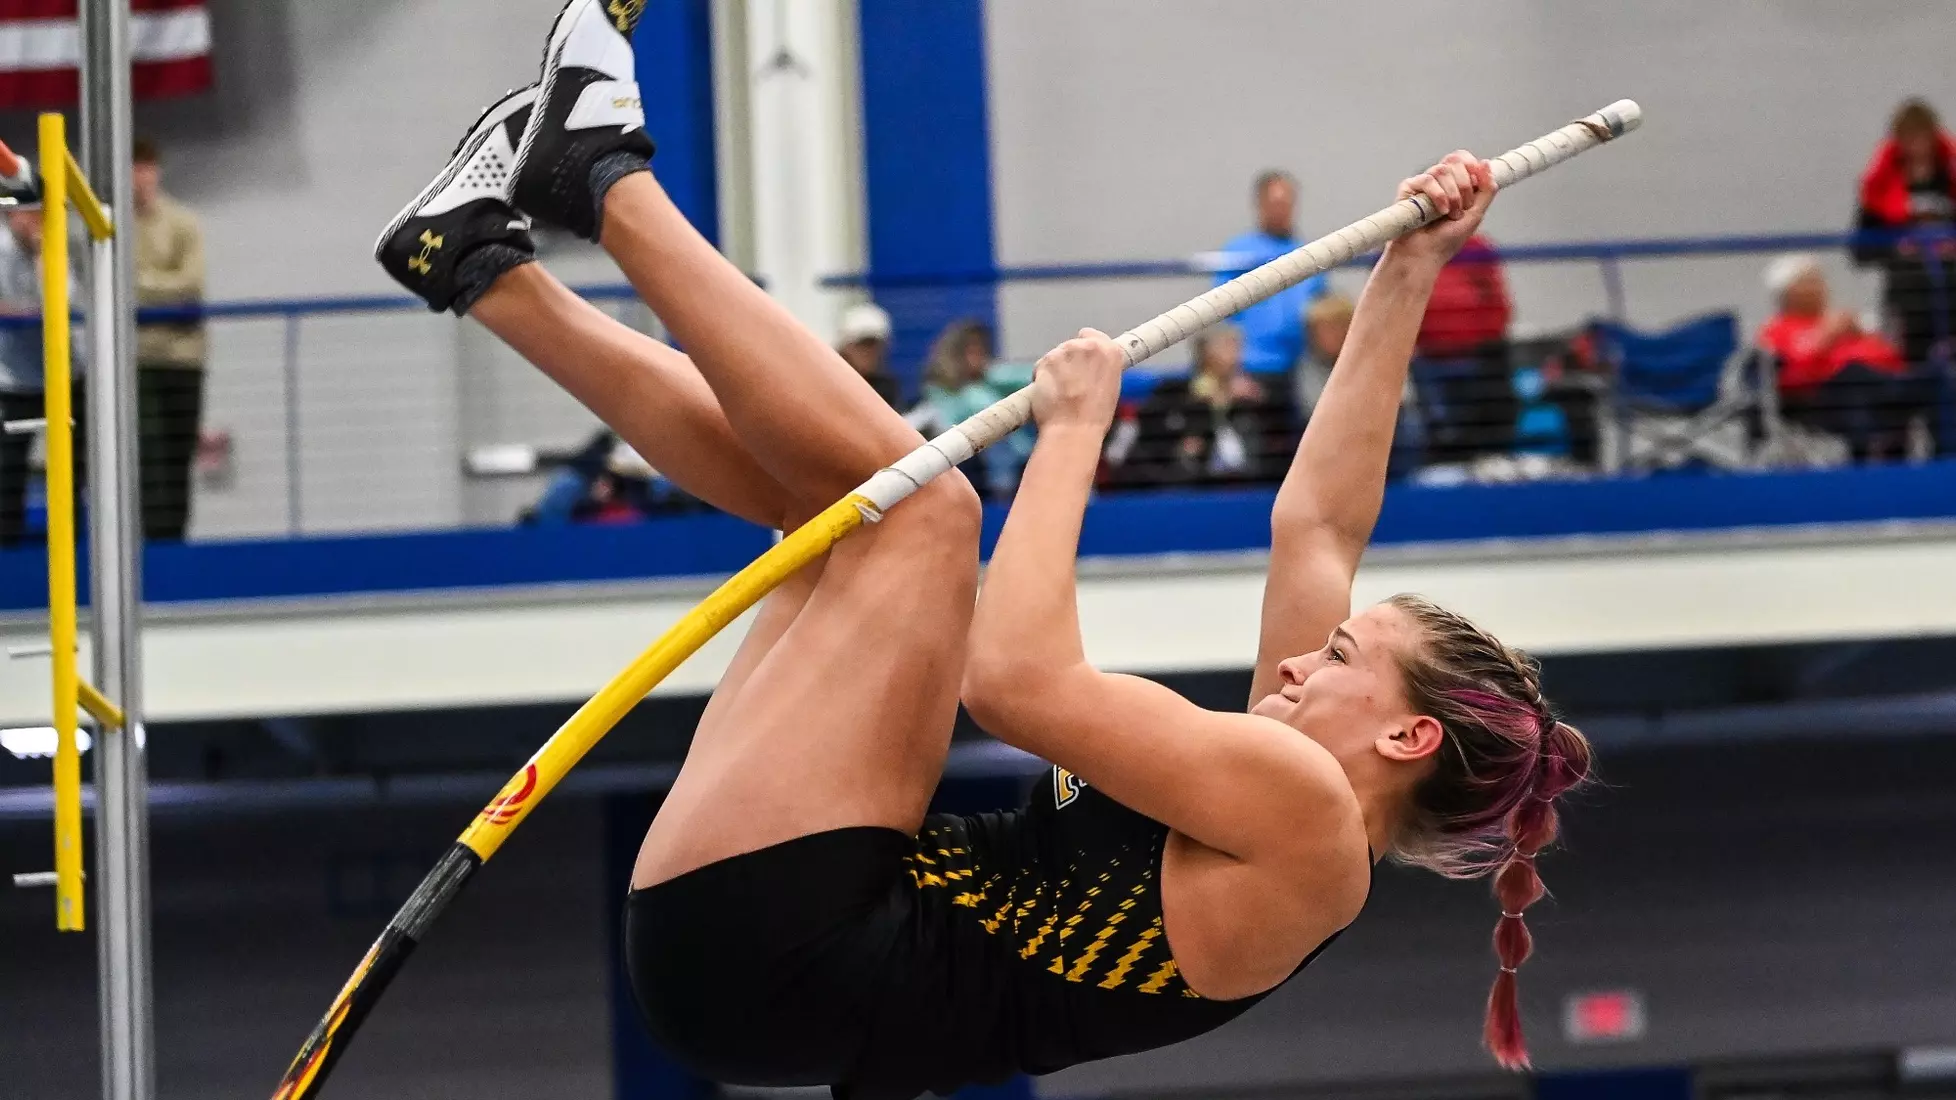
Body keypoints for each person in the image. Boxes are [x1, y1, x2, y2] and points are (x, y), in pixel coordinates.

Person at [376, 5, 1591, 1094]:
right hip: (770, 947)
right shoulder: (1285, 778)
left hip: (788, 944)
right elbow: (1319, 524)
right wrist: (1406, 270)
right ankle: (481, 262)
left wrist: (1072, 432)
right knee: (836, 507)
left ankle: (604, 179)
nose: (1299, 658)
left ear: (1406, 734)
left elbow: (1013, 683)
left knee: (928, 511)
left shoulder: (1308, 815)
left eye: (1338, 653)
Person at [1758, 254, 1932, 462]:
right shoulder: (1778, 330)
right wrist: (1827, 336)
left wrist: (1861, 334)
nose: (1816, 288)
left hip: (1878, 386)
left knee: (1936, 376)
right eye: (1806, 283)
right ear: (1785, 293)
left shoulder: (1844, 322)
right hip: (1822, 399)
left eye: (1817, 281)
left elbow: (1892, 360)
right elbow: (1793, 373)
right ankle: (1866, 458)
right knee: (1853, 376)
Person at [0, 162, 82, 548]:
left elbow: (59, 306)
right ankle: (8, 558)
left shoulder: (55, 246)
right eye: (24, 212)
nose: (32, 221)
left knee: (72, 472)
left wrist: (41, 254)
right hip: (12, 381)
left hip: (62, 379)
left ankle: (75, 548)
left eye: (38, 213)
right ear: (9, 213)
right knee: (7, 476)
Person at [131, 136, 208, 541]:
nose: (138, 177)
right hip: (139, 360)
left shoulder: (183, 223)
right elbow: (106, 289)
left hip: (183, 358)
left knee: (179, 458)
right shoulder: (110, 228)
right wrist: (163, 289)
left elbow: (191, 285)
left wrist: (140, 287)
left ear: (155, 171)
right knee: (149, 459)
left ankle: (175, 547)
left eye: (145, 167)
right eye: (132, 168)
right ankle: (152, 547)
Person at [1107, 324, 1293, 487]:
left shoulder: (1254, 391)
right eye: (1227, 346)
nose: (1236, 354)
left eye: (1237, 346)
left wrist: (1258, 399)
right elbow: (1153, 428)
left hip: (1251, 480)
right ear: (1205, 351)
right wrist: (1199, 403)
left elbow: (1278, 431)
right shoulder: (1176, 390)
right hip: (1193, 481)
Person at [1853, 99, 1956, 381]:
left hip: (1951, 289)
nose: (1917, 147)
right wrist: (1897, 248)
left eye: (1923, 138)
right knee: (1911, 377)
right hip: (1908, 299)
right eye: (1909, 139)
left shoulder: (1951, 178)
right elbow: (1860, 252)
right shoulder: (1879, 187)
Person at [1212, 170, 1330, 374]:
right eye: (1275, 203)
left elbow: (1321, 309)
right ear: (1260, 204)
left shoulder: (1310, 254)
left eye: (1287, 203)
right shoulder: (1237, 254)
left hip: (1301, 367)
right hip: (1248, 366)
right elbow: (1222, 315)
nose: (1281, 210)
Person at [907, 317, 1034, 498]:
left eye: (981, 350)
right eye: (971, 351)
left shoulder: (994, 381)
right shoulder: (939, 395)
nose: (979, 356)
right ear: (955, 355)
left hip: (1021, 471)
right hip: (975, 481)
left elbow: (1029, 377)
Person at [837, 301, 902, 409]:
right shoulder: (828, 384)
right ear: (846, 347)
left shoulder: (887, 388)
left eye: (874, 345)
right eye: (862, 345)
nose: (869, 352)